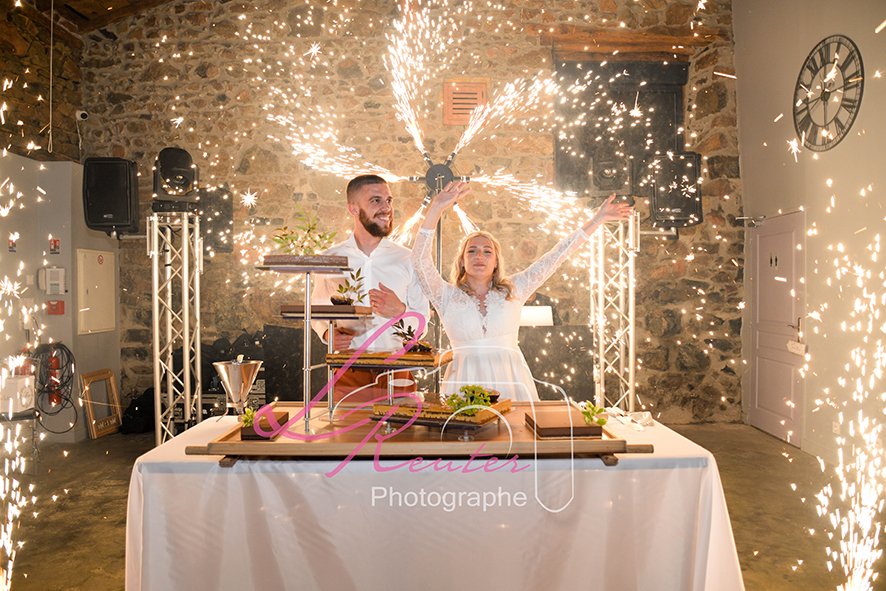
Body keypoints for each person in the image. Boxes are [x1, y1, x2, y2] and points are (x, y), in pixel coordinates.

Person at [412, 182, 632, 401]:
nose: (479, 256)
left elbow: (557, 256)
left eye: (487, 252)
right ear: (462, 260)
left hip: (511, 382)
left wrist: (597, 220)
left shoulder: (515, 289)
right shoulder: (445, 296)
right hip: (463, 383)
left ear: (496, 262)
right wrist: (436, 208)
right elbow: (420, 261)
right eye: (472, 251)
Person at [312, 174, 430, 402]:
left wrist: (400, 311)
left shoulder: (408, 259)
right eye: (376, 200)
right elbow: (317, 311)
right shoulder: (329, 259)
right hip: (348, 374)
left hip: (399, 372)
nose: (386, 208)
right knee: (348, 427)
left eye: (389, 200)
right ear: (353, 209)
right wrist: (328, 334)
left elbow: (422, 323)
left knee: (403, 426)